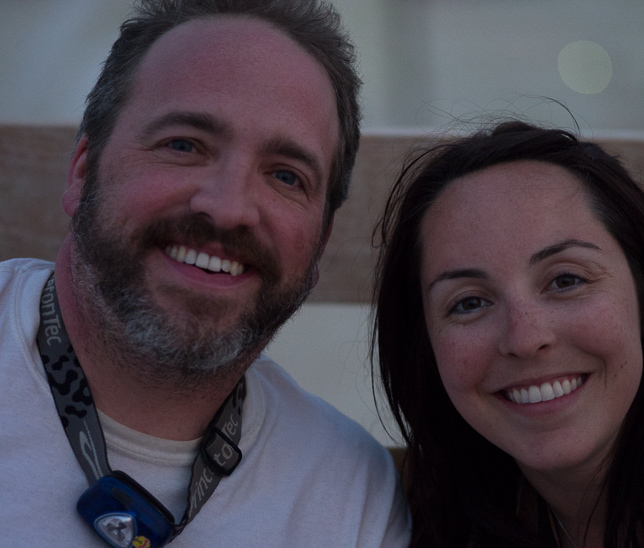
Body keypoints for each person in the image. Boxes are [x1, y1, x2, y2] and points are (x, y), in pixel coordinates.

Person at [0, 1, 410, 546]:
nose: (227, 209)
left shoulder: (351, 495)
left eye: (286, 176)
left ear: (319, 245)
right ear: (82, 170)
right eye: (184, 145)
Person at [372, 120, 644, 547]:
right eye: (469, 302)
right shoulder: (431, 525)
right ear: (424, 346)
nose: (524, 338)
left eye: (565, 280)